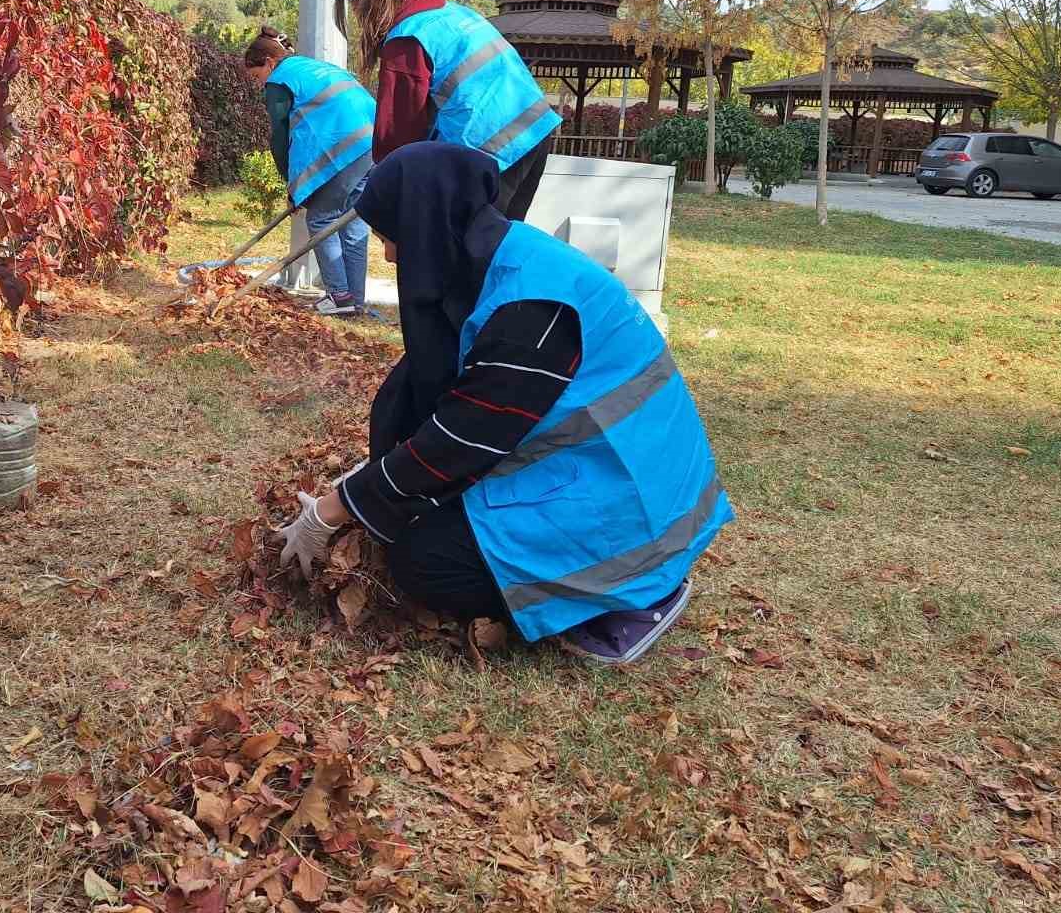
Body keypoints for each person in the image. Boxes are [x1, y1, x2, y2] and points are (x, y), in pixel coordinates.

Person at [277, 142, 733, 663]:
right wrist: (371, 485)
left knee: (425, 563)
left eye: (391, 237)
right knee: (412, 492)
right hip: (591, 467)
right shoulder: (503, 255)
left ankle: (637, 593)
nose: (390, 256)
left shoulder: (532, 308)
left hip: (632, 505)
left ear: (425, 224)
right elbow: (454, 403)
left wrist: (336, 508)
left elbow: (460, 442)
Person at [332, 0, 561, 220]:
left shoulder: (407, 38)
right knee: (499, 248)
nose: (360, 20)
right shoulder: (455, 14)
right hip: (535, 131)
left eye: (358, 10)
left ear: (372, 1)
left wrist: (387, 196)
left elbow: (398, 138)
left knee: (459, 253)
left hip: (492, 150)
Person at [244, 26, 374, 315]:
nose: (258, 83)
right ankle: (355, 300)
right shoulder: (312, 66)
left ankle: (339, 297)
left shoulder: (280, 79)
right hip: (371, 143)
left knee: (321, 219)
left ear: (269, 63)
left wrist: (291, 184)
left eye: (256, 76)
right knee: (351, 223)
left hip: (344, 146)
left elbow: (279, 136)